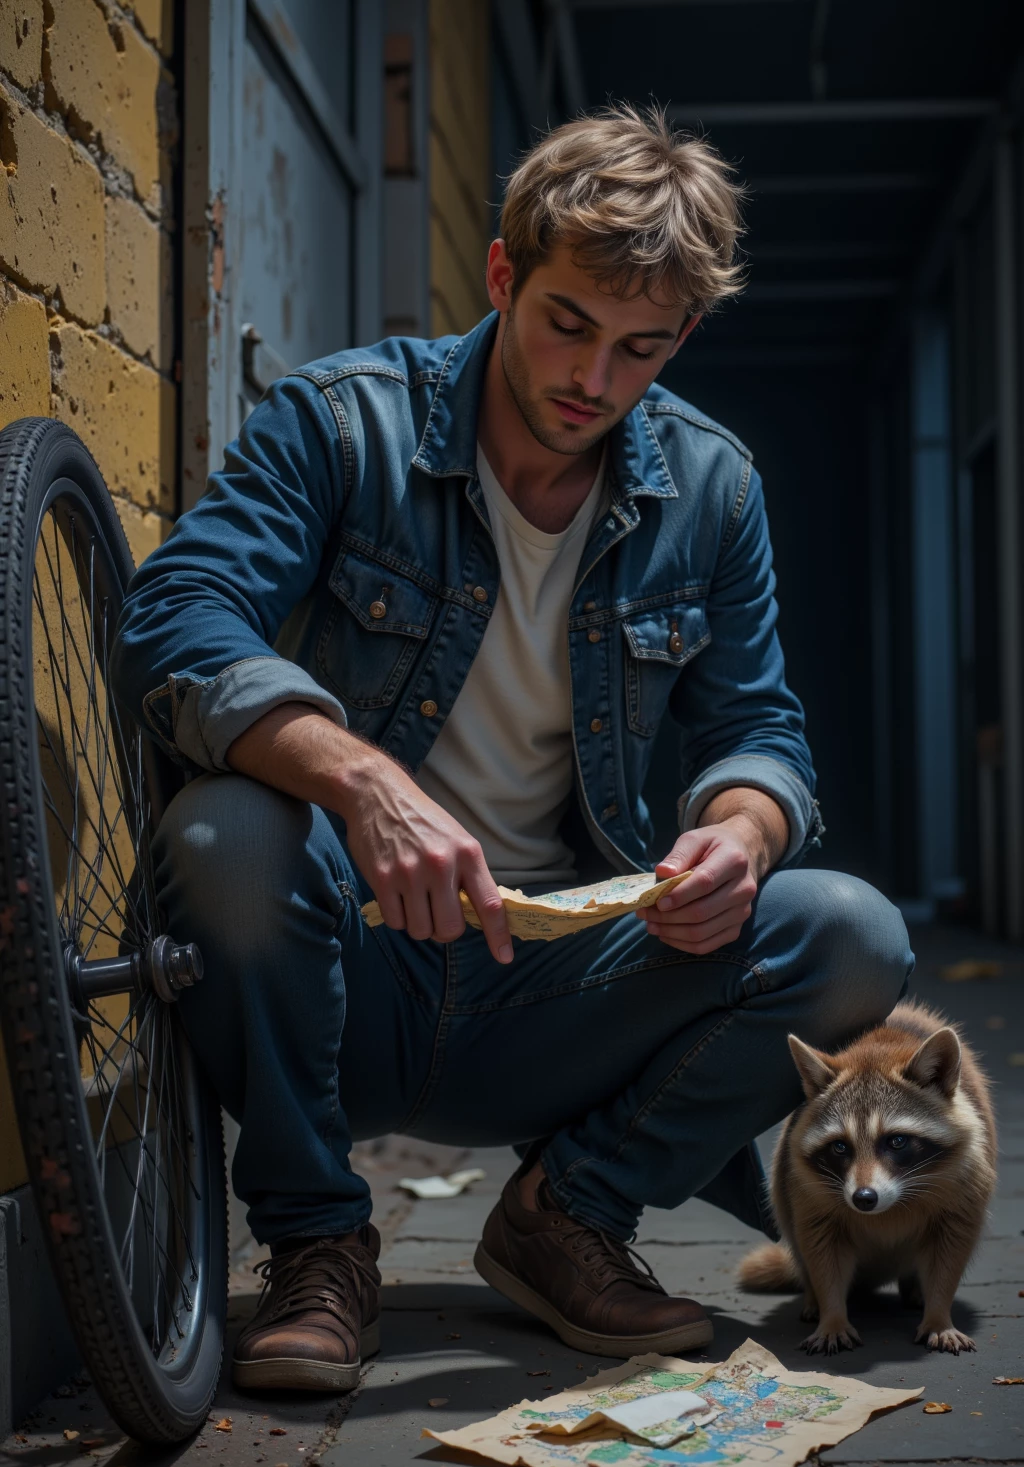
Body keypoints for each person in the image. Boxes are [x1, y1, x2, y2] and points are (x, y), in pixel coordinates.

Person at [112, 105, 913, 1393]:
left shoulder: (713, 489)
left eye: (640, 349)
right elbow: (174, 614)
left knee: (851, 930)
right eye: (566, 324)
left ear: (682, 339)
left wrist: (743, 833)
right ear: (502, 276)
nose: (592, 379)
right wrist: (362, 782)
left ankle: (569, 1217)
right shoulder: (343, 421)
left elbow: (760, 729)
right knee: (228, 836)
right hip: (346, 971)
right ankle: (316, 1248)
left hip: (556, 986)